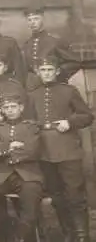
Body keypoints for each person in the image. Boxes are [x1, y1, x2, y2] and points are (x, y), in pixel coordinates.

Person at [28, 56, 94, 242]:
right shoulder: (32, 95)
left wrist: (69, 122)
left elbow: (87, 116)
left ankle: (82, 235)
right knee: (56, 195)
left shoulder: (69, 91)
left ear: (57, 71)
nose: (46, 73)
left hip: (68, 150)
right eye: (43, 70)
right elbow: (29, 123)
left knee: (75, 194)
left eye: (50, 69)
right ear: (38, 72)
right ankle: (67, 232)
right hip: (44, 151)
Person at [0, 93, 44, 242]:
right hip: (2, 174)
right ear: (3, 110)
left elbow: (32, 151)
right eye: (6, 107)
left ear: (21, 108)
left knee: (30, 208)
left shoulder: (31, 127)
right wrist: (10, 146)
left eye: (13, 107)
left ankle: (20, 237)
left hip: (28, 174)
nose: (10, 110)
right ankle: (5, 223)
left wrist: (2, 149)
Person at [22, 6, 81, 90]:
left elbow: (75, 62)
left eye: (36, 19)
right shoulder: (27, 45)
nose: (32, 22)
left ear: (42, 18)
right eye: (29, 20)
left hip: (55, 86)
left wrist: (57, 75)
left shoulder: (54, 41)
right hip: (35, 89)